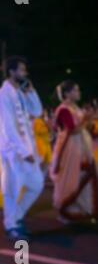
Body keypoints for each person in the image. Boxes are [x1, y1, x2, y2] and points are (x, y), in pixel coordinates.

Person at [0, 56, 44, 241]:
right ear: (12, 72)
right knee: (12, 190)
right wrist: (23, 152)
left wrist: (31, 92)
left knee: (37, 185)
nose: (25, 73)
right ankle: (11, 225)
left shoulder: (21, 93)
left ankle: (17, 217)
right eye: (21, 70)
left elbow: (37, 111)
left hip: (28, 150)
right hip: (13, 152)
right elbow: (7, 127)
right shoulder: (3, 94)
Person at [50, 81, 98, 223]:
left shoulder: (75, 107)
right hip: (70, 146)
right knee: (70, 177)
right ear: (67, 94)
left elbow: (82, 127)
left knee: (83, 175)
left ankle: (82, 210)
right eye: (76, 90)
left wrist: (89, 120)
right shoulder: (63, 109)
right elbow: (72, 130)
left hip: (81, 144)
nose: (79, 93)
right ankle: (66, 210)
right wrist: (86, 119)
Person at [33, 109, 53, 175]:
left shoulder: (43, 121)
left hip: (46, 146)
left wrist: (49, 126)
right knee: (40, 168)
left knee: (45, 167)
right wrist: (47, 125)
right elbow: (40, 131)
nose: (44, 113)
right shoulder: (37, 121)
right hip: (40, 146)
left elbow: (50, 132)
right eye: (43, 112)